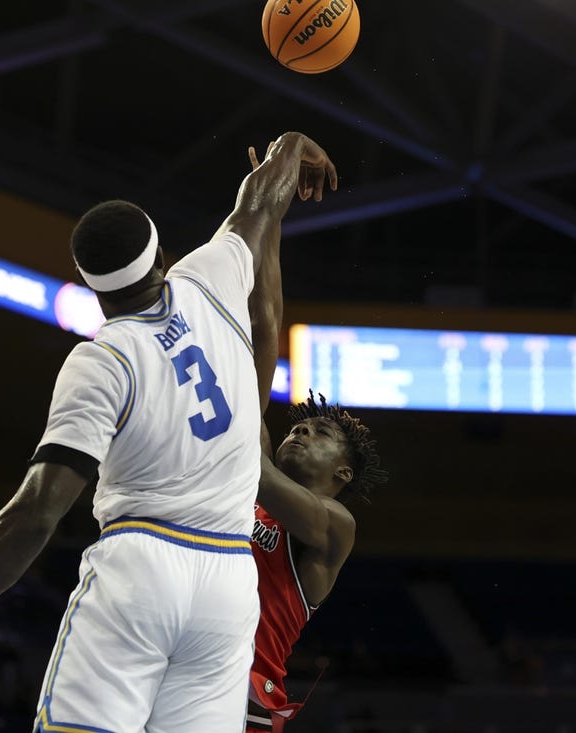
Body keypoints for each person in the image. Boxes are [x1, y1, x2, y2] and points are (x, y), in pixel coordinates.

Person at [0, 131, 339, 733]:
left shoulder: (104, 360)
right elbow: (260, 200)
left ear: (94, 289)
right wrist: (295, 145)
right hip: (229, 586)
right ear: (161, 256)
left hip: (142, 570)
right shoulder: (209, 277)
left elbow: (36, 513)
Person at [242, 144, 387, 733]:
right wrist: (266, 213)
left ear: (342, 475)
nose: (300, 428)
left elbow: (248, 466)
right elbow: (264, 325)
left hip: (242, 693)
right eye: (299, 424)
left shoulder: (333, 527)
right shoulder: (249, 471)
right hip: (175, 659)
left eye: (320, 432)